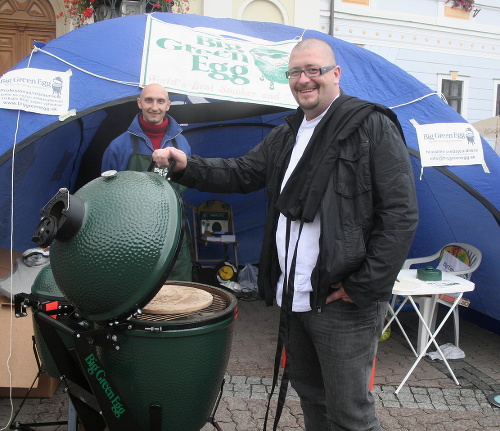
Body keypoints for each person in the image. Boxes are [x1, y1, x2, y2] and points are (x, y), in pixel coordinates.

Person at [152, 38, 418, 431]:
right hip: (294, 296)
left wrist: (362, 286)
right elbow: (243, 171)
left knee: (350, 414)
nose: (303, 80)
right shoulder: (291, 131)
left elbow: (400, 214)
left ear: (335, 74)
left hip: (342, 300)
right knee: (312, 398)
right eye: (294, 72)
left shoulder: (370, 125)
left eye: (313, 70)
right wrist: (186, 164)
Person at [101, 83, 193, 281]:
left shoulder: (181, 144)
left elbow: (188, 181)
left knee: (179, 290)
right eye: (149, 100)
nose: (154, 107)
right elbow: (106, 196)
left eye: (160, 101)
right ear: (139, 103)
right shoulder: (118, 146)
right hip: (131, 234)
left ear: (168, 105)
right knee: (133, 287)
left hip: (172, 229)